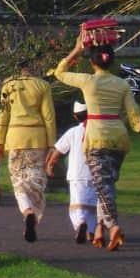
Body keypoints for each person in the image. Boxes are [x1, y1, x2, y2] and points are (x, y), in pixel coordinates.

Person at [54, 32, 140, 250]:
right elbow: (135, 115)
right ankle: (100, 229)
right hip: (119, 138)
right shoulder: (122, 85)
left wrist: (77, 49)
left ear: (92, 62)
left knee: (103, 186)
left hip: (96, 138)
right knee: (105, 185)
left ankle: (113, 227)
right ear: (112, 61)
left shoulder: (88, 81)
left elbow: (59, 72)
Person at [0, 58, 56, 243]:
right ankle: (33, 217)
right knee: (36, 181)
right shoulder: (42, 85)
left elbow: (2, 114)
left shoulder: (8, 85)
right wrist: (52, 144)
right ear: (34, 67)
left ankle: (27, 211)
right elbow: (49, 117)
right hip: (38, 138)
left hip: (15, 137)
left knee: (19, 181)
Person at [46, 101, 97, 244]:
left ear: (75, 117)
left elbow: (58, 151)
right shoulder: (98, 130)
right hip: (95, 173)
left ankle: (80, 223)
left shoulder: (73, 132)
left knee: (77, 203)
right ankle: (91, 233)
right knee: (93, 204)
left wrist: (50, 165)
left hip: (76, 174)